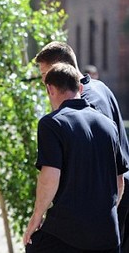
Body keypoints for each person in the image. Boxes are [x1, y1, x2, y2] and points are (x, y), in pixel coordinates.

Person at [35, 41, 129, 252]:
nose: (44, 83)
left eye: (44, 76)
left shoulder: (85, 104)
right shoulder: (100, 87)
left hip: (100, 206)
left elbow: (85, 167)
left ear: (59, 70)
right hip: (111, 202)